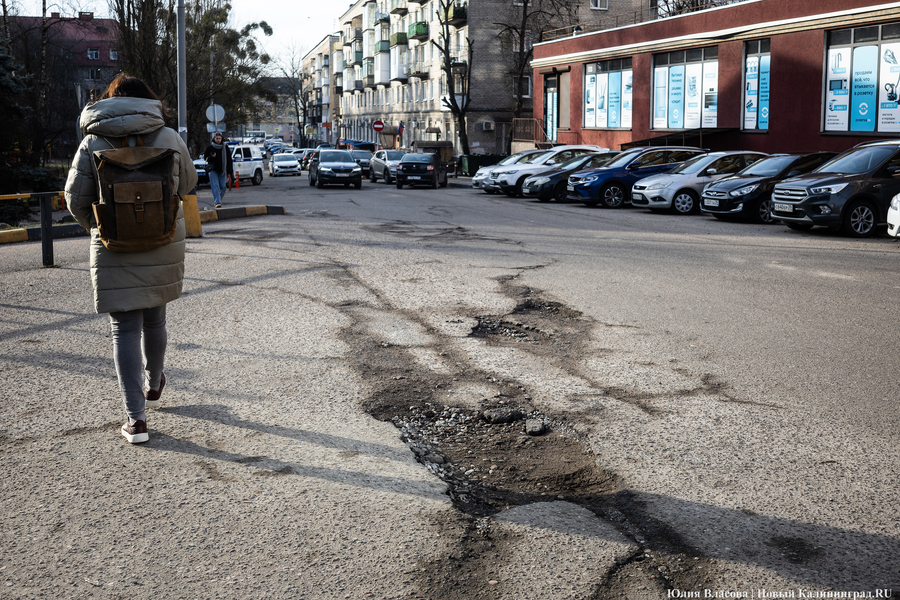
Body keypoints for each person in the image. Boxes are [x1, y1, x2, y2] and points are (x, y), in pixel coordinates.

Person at [65, 74, 197, 444]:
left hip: (113, 245)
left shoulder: (92, 141)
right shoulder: (169, 137)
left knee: (124, 329)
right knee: (155, 318)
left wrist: (103, 225)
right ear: (148, 101)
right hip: (162, 238)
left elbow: (75, 200)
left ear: (108, 102)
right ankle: (154, 384)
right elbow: (186, 185)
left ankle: (136, 421)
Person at [204, 132, 233, 208]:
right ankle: (217, 202)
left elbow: (229, 159)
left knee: (223, 186)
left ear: (221, 139)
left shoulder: (225, 147)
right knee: (215, 186)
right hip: (213, 170)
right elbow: (205, 158)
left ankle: (219, 198)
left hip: (222, 170)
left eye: (219, 138)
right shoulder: (210, 147)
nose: (218, 140)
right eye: (216, 138)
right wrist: (212, 157)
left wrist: (230, 171)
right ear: (214, 139)